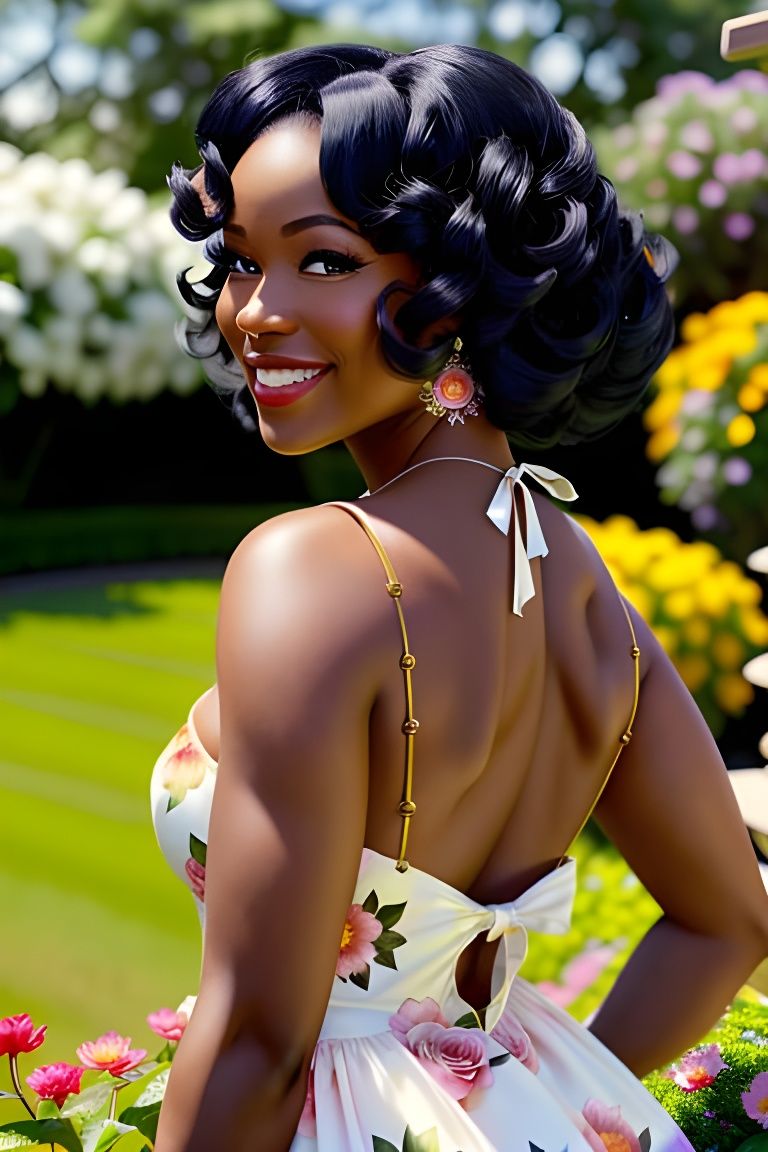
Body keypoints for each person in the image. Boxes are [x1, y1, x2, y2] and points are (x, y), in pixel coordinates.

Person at [149, 43, 768, 1152]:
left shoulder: (311, 568)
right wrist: (541, 1103)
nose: (256, 311)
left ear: (463, 291)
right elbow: (728, 922)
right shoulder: (590, 592)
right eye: (241, 259)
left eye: (325, 261)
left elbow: (257, 1040)